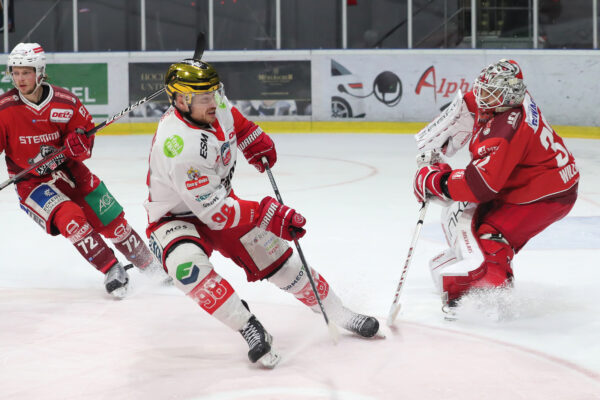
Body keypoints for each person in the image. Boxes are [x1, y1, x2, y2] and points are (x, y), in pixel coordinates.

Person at [145, 59, 380, 368]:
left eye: (214, 92)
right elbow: (216, 214)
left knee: (280, 262)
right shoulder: (179, 147)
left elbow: (235, 121)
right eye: (204, 97)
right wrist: (267, 214)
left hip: (220, 202)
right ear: (180, 100)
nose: (214, 101)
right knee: (187, 269)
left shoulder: (212, 103)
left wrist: (251, 136)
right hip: (175, 219)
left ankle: (338, 312)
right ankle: (249, 328)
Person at [0, 43, 166, 298]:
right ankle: (112, 269)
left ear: (40, 71)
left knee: (113, 222)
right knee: (71, 218)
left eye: (26, 72)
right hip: (32, 184)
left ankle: (151, 266)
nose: (20, 79)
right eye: (16, 72)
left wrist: (78, 145)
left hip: (72, 173)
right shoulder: (4, 110)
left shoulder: (66, 103)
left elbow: (85, 147)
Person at [413, 59, 579, 312]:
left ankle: (492, 295)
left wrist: (436, 181)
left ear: (508, 94)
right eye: (482, 90)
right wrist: (464, 108)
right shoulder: (515, 96)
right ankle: (480, 279)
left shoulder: (505, 131)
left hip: (547, 195)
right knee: (474, 218)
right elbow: (495, 84)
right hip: (537, 179)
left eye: (489, 93)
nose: (482, 97)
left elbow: (480, 186)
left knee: (491, 232)